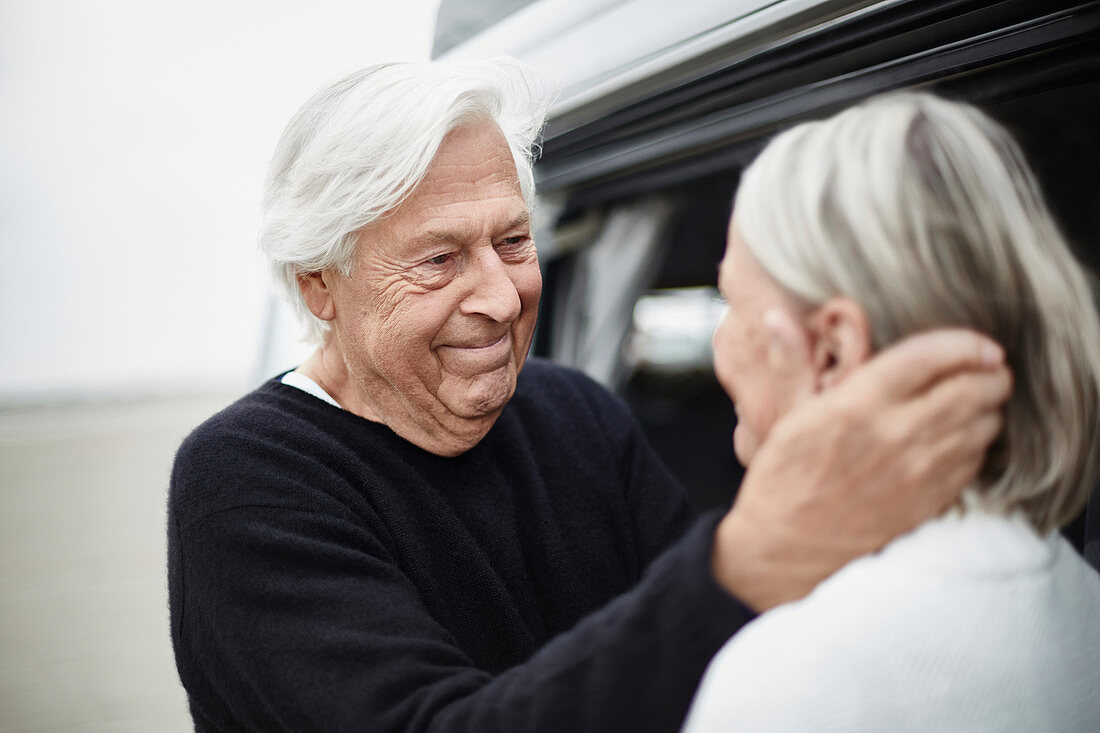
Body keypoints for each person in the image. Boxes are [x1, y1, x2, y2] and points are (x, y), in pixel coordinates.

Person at [167, 60, 1010, 732]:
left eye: (512, 240)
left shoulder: (576, 413)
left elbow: (744, 665)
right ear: (322, 284)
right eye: (438, 259)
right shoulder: (246, 479)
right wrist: (750, 554)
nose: (500, 297)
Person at [682, 92, 1100, 732]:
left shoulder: (790, 682)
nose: (719, 344)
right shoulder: (1081, 595)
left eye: (731, 303)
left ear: (830, 351)